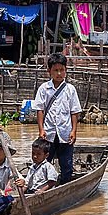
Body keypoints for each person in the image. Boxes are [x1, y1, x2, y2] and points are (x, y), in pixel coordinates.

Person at [33, 53, 82, 183]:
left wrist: (73, 131)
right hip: (48, 133)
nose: (59, 73)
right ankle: (42, 186)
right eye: (56, 70)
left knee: (66, 164)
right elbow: (40, 110)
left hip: (65, 133)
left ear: (66, 70)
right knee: (43, 163)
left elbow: (74, 112)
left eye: (62, 70)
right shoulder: (44, 89)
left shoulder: (70, 89)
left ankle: (64, 186)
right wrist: (41, 130)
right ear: (49, 71)